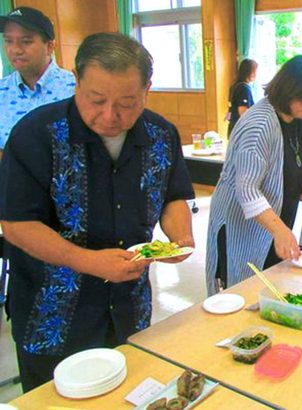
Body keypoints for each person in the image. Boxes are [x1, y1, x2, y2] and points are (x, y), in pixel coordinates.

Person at [0, 32, 195, 392]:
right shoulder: (36, 135)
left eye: (127, 102)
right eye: (97, 100)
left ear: (147, 90)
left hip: (129, 307)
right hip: (53, 316)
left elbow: (173, 196)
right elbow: (16, 225)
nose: (110, 115)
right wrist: (90, 262)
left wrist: (180, 236)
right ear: (77, 81)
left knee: (127, 390)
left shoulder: (161, 134)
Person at [206, 55, 302, 295]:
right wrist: (280, 230)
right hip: (240, 225)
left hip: (273, 222)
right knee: (242, 290)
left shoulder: (298, 118)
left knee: (269, 288)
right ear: (288, 89)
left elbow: (295, 158)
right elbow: (247, 190)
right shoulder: (259, 124)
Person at [0, 6, 76, 160]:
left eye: (26, 41)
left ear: (49, 46)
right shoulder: (2, 91)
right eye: (8, 41)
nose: (15, 50)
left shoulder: (74, 88)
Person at [227, 58, 258, 138]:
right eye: (255, 71)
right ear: (250, 72)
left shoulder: (234, 86)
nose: (256, 74)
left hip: (233, 127)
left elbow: (230, 109)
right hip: (241, 130)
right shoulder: (244, 88)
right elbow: (243, 112)